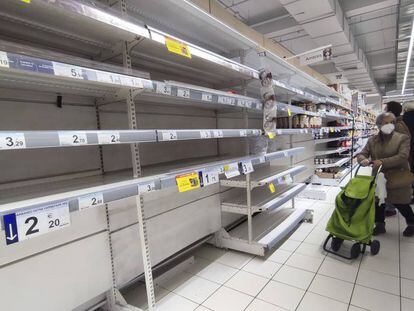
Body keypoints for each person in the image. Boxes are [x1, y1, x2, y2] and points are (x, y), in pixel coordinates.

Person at [357, 112, 414, 236]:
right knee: (378, 202)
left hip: (397, 176)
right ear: (378, 125)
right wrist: (363, 159)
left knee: (401, 202)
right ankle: (380, 225)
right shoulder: (372, 140)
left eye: (392, 122)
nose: (390, 125)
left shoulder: (402, 138)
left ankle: (411, 223)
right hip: (379, 176)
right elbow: (362, 153)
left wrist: (382, 162)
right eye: (386, 123)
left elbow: (403, 156)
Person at [384, 101, 411, 215]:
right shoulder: (395, 123)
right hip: (391, 163)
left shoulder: (398, 126)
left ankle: (411, 222)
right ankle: (388, 210)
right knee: (387, 189)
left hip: (396, 164)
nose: (384, 111)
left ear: (390, 111)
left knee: (397, 194)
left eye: (386, 109)